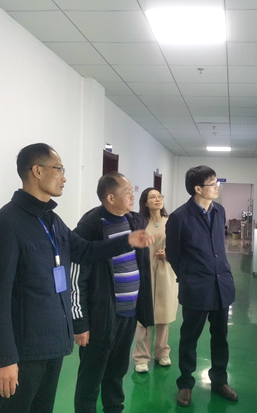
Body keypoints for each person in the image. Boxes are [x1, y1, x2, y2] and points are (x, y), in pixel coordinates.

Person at [0, 143, 154, 413]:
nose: (64, 177)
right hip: (24, 350)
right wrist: (3, 359)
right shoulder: (5, 224)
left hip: (52, 344)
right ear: (37, 171)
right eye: (59, 169)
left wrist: (127, 241)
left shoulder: (51, 220)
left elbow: (85, 251)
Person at [71, 172, 154, 413]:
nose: (133, 196)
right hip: (101, 316)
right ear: (110, 197)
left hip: (128, 314)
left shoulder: (134, 221)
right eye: (127, 192)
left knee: (117, 374)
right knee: (90, 380)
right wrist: (80, 323)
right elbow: (76, 278)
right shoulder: (90, 227)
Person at [166, 165, 238, 407]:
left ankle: (219, 381)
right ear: (198, 189)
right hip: (196, 287)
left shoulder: (219, 210)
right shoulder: (179, 217)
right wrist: (188, 276)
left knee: (220, 338)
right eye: (213, 183)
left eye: (217, 182)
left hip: (221, 285)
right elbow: (173, 254)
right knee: (189, 338)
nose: (217, 187)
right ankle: (185, 384)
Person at [132, 188, 179, 373]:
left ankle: (162, 352)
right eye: (153, 197)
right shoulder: (139, 223)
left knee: (163, 314)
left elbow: (180, 245)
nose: (158, 199)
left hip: (165, 271)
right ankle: (141, 357)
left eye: (159, 196)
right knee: (144, 315)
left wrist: (168, 253)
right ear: (145, 202)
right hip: (144, 271)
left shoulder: (170, 222)